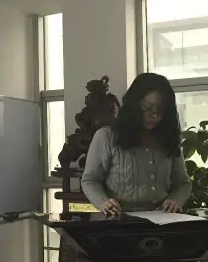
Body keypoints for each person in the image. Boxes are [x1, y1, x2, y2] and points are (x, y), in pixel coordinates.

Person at [81, 73, 192, 216]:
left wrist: (175, 200)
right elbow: (90, 180)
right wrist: (103, 202)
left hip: (162, 218)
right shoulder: (106, 137)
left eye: (160, 111)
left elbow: (183, 183)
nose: (154, 116)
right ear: (134, 105)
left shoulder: (168, 138)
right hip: (119, 218)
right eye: (148, 109)